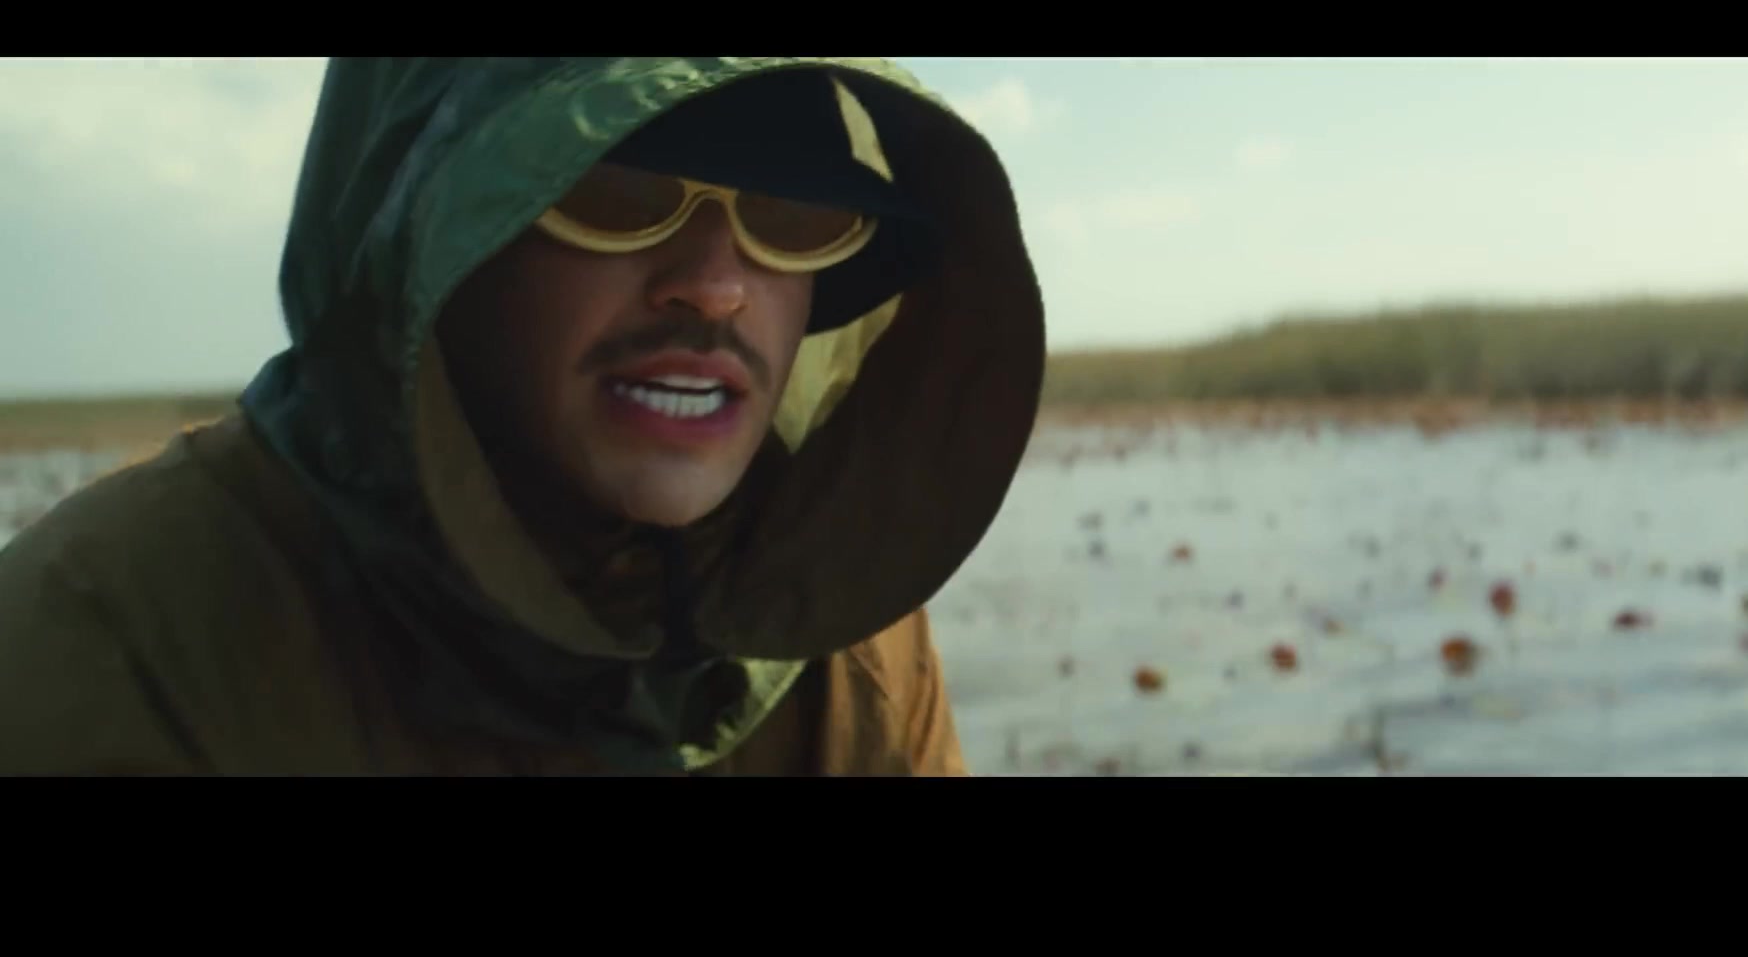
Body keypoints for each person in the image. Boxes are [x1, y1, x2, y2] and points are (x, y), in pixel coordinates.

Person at [0, 57, 1045, 775]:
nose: (716, 286)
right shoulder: (118, 638)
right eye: (619, 190)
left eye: (792, 214)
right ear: (419, 231)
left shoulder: (830, 625)